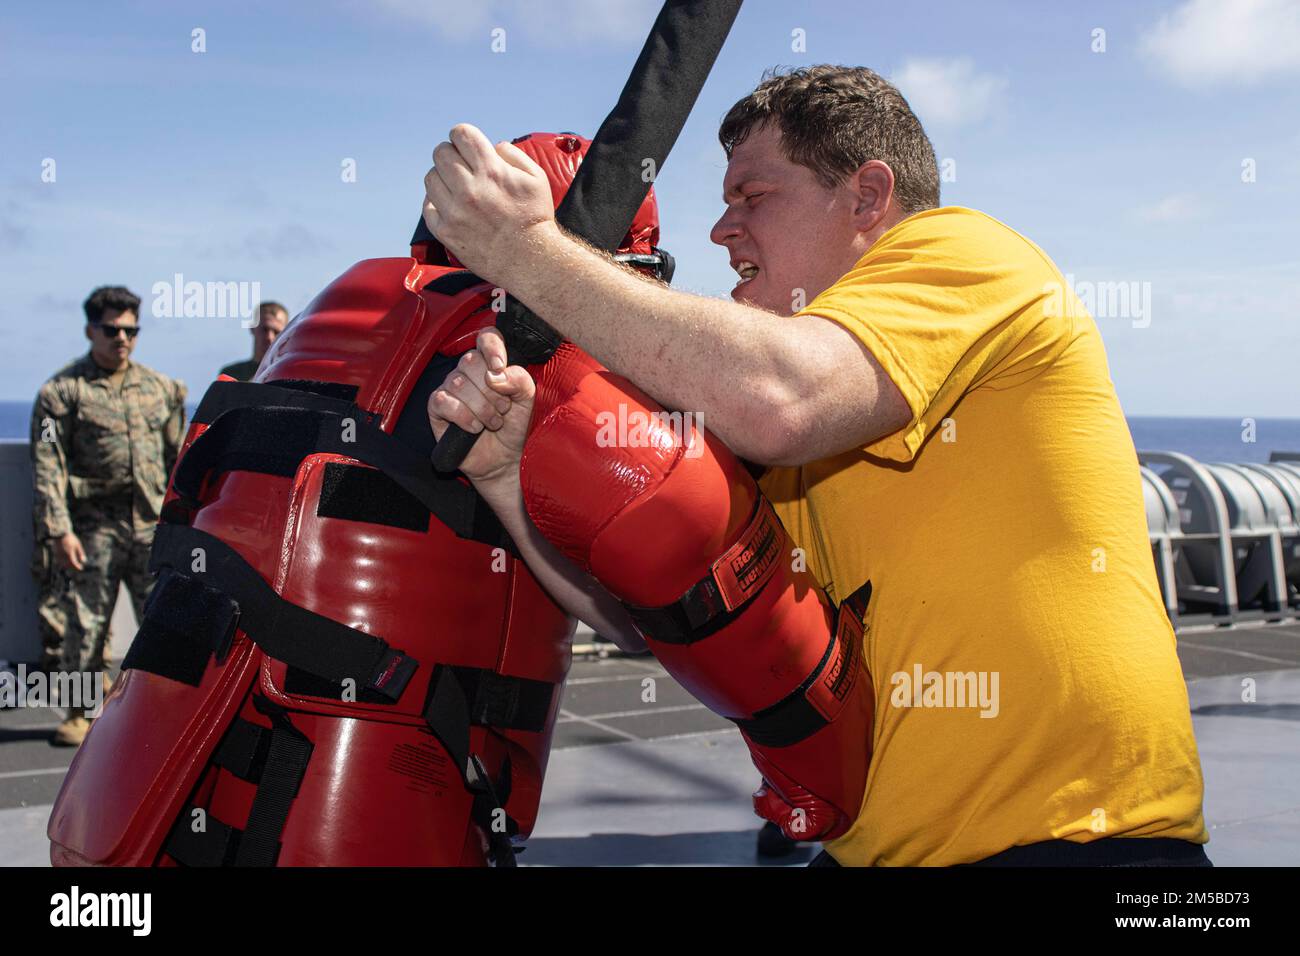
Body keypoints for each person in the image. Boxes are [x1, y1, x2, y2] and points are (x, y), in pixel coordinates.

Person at [420, 65, 1210, 866]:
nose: (722, 232)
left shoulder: (966, 255)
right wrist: (505, 474)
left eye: (753, 197)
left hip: (1083, 842)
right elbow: (643, 619)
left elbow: (782, 398)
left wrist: (529, 253)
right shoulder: (776, 406)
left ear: (867, 197)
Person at [30, 285, 187, 746]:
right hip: (93, 526)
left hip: (152, 526)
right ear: (90, 330)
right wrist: (59, 530)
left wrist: (185, 522)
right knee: (86, 625)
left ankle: (169, 708)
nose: (123, 338)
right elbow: (47, 465)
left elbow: (181, 457)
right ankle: (79, 713)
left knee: (165, 622)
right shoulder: (61, 393)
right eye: (113, 329)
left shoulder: (162, 389)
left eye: (131, 330)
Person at [219, 300, 289, 381]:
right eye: (264, 329)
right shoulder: (231, 374)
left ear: (286, 333)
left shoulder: (290, 376)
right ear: (252, 328)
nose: (269, 337)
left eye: (276, 332)